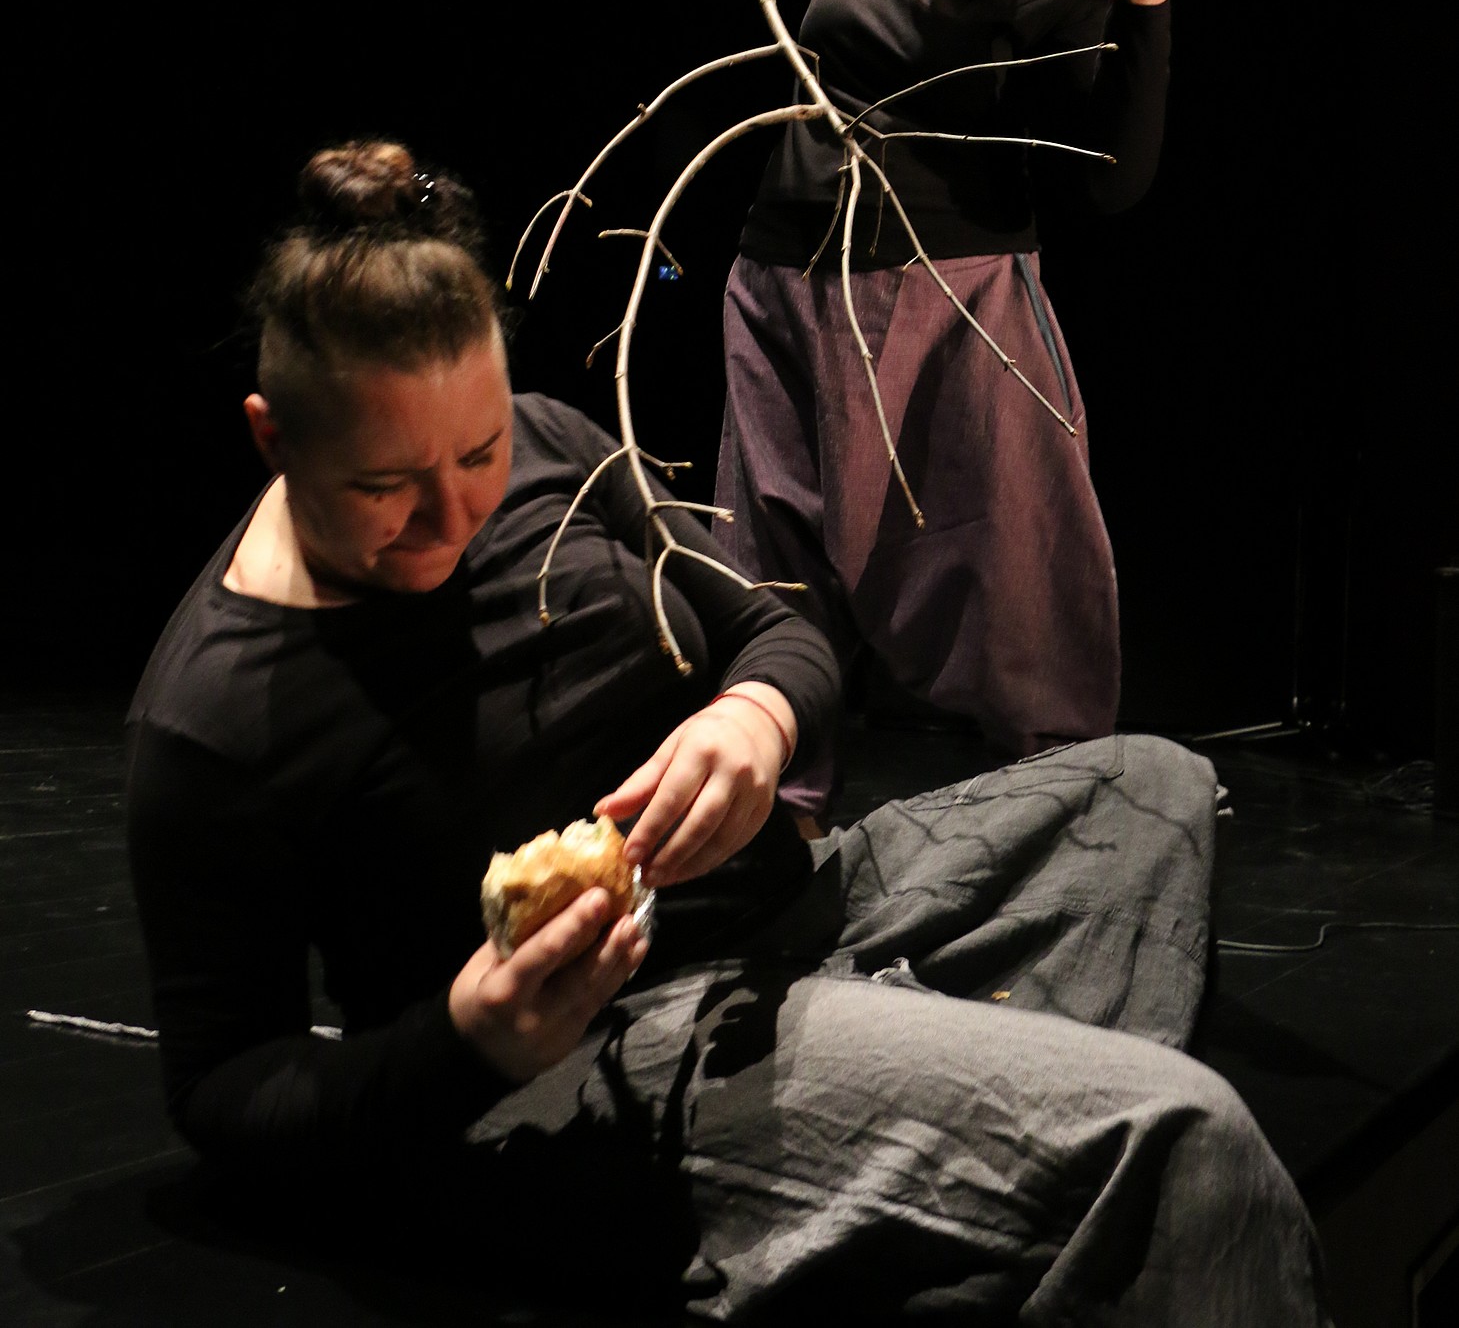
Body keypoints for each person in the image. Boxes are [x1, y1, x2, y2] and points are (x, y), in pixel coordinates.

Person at [126, 139, 1328, 1324]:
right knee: (1180, 1137)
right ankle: (953, 1138)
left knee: (1153, 786)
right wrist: (469, 1036)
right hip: (607, 1052)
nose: (455, 515)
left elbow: (773, 629)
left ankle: (923, 1156)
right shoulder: (217, 713)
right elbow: (227, 1088)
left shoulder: (553, 440)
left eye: (478, 451)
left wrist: (756, 716)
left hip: (793, 915)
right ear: (273, 436)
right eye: (385, 485)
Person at [718, 0, 1171, 818]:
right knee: (773, 549)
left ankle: (1056, 802)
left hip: (957, 306)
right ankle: (774, 811)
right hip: (783, 280)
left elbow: (1114, 181)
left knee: (1015, 550)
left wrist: (1145, 21)